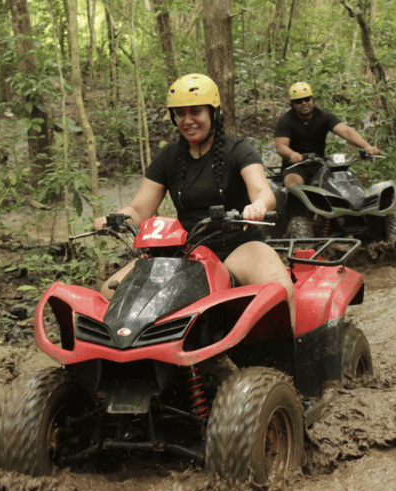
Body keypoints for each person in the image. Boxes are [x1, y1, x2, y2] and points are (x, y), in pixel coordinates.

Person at [94, 73, 295, 332]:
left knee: (279, 288)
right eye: (180, 113)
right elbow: (139, 210)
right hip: (185, 252)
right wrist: (113, 219)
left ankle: (288, 367)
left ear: (214, 113)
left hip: (237, 245)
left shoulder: (238, 149)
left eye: (195, 112)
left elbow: (263, 192)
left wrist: (257, 206)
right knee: (111, 291)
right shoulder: (169, 157)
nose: (187, 121)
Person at [274, 82, 380, 188]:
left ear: (312, 99)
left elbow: (346, 131)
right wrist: (293, 155)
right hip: (295, 166)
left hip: (320, 164)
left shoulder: (324, 116)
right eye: (298, 101)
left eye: (307, 99)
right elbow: (281, 146)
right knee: (294, 186)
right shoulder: (286, 120)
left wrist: (367, 146)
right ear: (293, 104)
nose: (304, 103)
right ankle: (293, 203)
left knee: (345, 180)